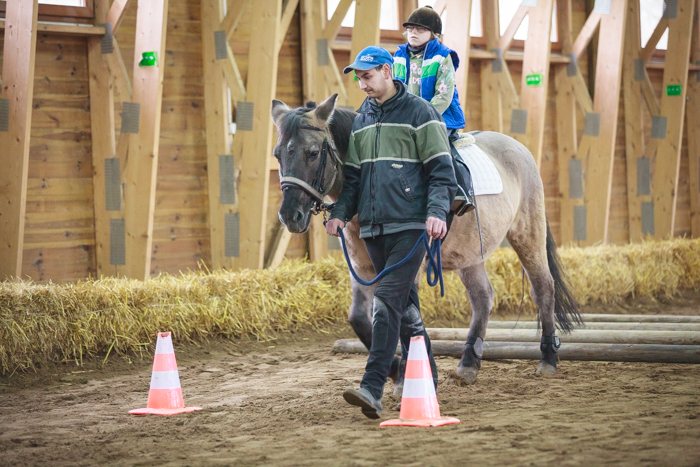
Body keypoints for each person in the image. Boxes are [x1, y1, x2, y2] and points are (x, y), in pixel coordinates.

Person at [325, 46, 457, 419]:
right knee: (406, 308)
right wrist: (339, 214)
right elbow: (353, 178)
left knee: (384, 300)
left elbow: (441, 170)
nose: (362, 84)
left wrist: (437, 212)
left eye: (367, 76)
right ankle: (427, 378)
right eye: (358, 78)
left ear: (386, 71)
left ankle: (372, 387)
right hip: (374, 228)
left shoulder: (420, 112)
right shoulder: (363, 119)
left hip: (410, 226)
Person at [393, 5, 474, 214]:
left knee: (440, 146)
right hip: (404, 118)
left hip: (440, 116)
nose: (413, 32)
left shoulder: (443, 56)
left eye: (420, 29)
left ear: (434, 34)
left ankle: (460, 190)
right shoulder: (398, 55)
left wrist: (422, 117)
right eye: (410, 28)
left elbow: (443, 95)